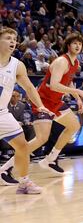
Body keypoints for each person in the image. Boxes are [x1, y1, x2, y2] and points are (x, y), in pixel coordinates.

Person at [0, 32, 83, 179]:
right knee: (41, 139)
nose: (78, 46)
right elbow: (54, 85)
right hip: (43, 101)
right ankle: (5, 168)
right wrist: (78, 91)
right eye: (75, 43)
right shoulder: (62, 61)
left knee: (74, 126)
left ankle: (51, 158)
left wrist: (78, 98)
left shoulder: (76, 63)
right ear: (68, 45)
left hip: (56, 102)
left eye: (80, 43)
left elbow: (68, 81)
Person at [0, 27, 54, 193]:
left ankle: (24, 183)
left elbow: (30, 88)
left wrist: (41, 106)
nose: (12, 41)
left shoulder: (17, 65)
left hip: (1, 113)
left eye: (14, 39)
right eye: (8, 38)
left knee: (22, 146)